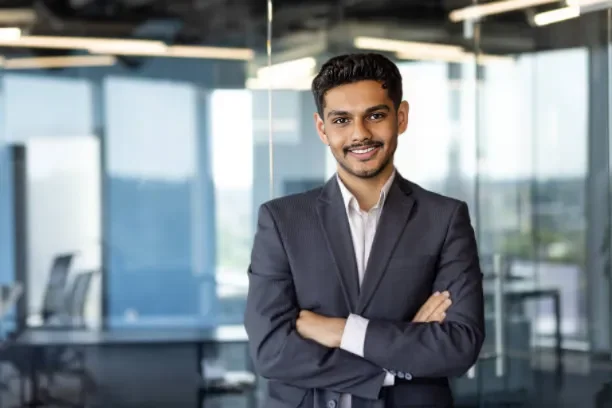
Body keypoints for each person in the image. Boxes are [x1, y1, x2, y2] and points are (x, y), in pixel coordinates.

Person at [244, 53, 485, 408]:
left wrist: (340, 331)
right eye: (342, 120)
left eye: (375, 115)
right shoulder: (282, 221)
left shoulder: (444, 218)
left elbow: (458, 346)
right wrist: (393, 366)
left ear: (400, 117)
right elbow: (271, 351)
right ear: (322, 128)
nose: (360, 134)